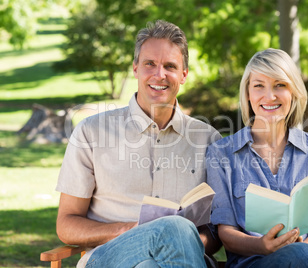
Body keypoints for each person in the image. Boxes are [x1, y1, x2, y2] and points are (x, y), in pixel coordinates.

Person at [56, 20, 222, 268]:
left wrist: (181, 238)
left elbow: (217, 230)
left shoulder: (208, 139)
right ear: (135, 68)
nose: (159, 74)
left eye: (170, 66)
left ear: (184, 75)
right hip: (111, 256)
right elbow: (67, 224)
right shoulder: (91, 132)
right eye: (150, 64)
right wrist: (130, 230)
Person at [206, 48, 308, 267]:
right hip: (256, 261)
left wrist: (303, 252)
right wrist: (261, 245)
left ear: (293, 92)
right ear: (247, 94)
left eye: (280, 85)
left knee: (301, 257)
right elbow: (226, 232)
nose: (269, 96)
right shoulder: (222, 153)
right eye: (259, 86)